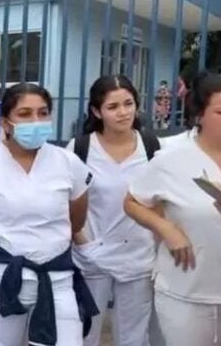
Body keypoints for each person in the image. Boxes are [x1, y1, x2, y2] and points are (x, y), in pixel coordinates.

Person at [0, 83, 97, 346]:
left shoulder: (68, 163)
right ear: (6, 122)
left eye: (43, 112)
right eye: (25, 114)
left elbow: (76, 220)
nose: (36, 121)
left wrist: (45, 248)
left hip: (57, 279)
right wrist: (6, 254)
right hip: (0, 280)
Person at [124, 72, 221, 346]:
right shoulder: (171, 158)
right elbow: (132, 201)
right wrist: (166, 228)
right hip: (186, 291)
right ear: (199, 114)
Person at [67, 75, 158, 346]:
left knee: (133, 337)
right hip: (91, 257)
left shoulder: (151, 147)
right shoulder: (80, 149)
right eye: (113, 106)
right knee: (84, 334)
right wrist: (86, 246)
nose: (123, 112)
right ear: (97, 111)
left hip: (139, 256)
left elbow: (159, 202)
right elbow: (66, 205)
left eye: (129, 104)